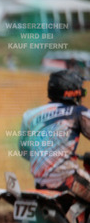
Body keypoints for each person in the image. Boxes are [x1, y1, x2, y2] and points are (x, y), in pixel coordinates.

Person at [19, 70, 90, 206]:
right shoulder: (77, 112)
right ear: (71, 92)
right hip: (67, 180)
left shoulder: (30, 115)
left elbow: (24, 150)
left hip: (40, 184)